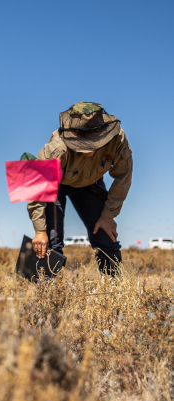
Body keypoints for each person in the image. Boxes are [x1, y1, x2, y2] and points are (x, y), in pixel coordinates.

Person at [28, 102, 132, 276]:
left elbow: (123, 177)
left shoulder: (118, 140)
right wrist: (39, 230)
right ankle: (42, 294)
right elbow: (37, 188)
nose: (88, 149)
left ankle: (117, 292)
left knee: (105, 236)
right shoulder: (56, 147)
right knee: (51, 242)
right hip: (56, 184)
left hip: (90, 183)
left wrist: (108, 216)